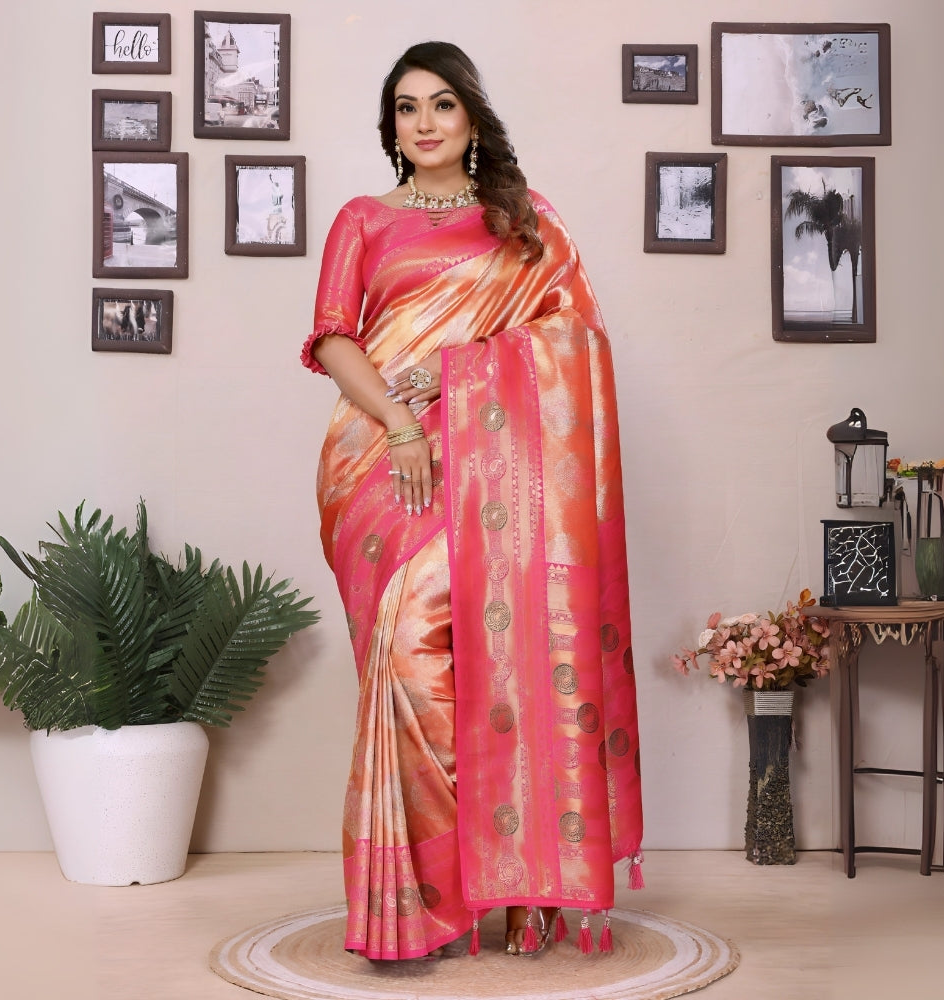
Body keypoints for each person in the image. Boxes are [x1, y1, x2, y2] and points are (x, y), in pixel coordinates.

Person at [302, 41, 642, 961]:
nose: (424, 123)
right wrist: (405, 427)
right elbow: (334, 340)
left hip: (499, 468)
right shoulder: (362, 219)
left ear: (472, 118)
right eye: (406, 109)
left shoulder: (526, 224)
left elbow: (575, 342)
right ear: (392, 129)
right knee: (405, 662)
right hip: (379, 458)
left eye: (442, 105)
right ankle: (420, 898)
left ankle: (501, 878)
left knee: (499, 654)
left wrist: (458, 379)